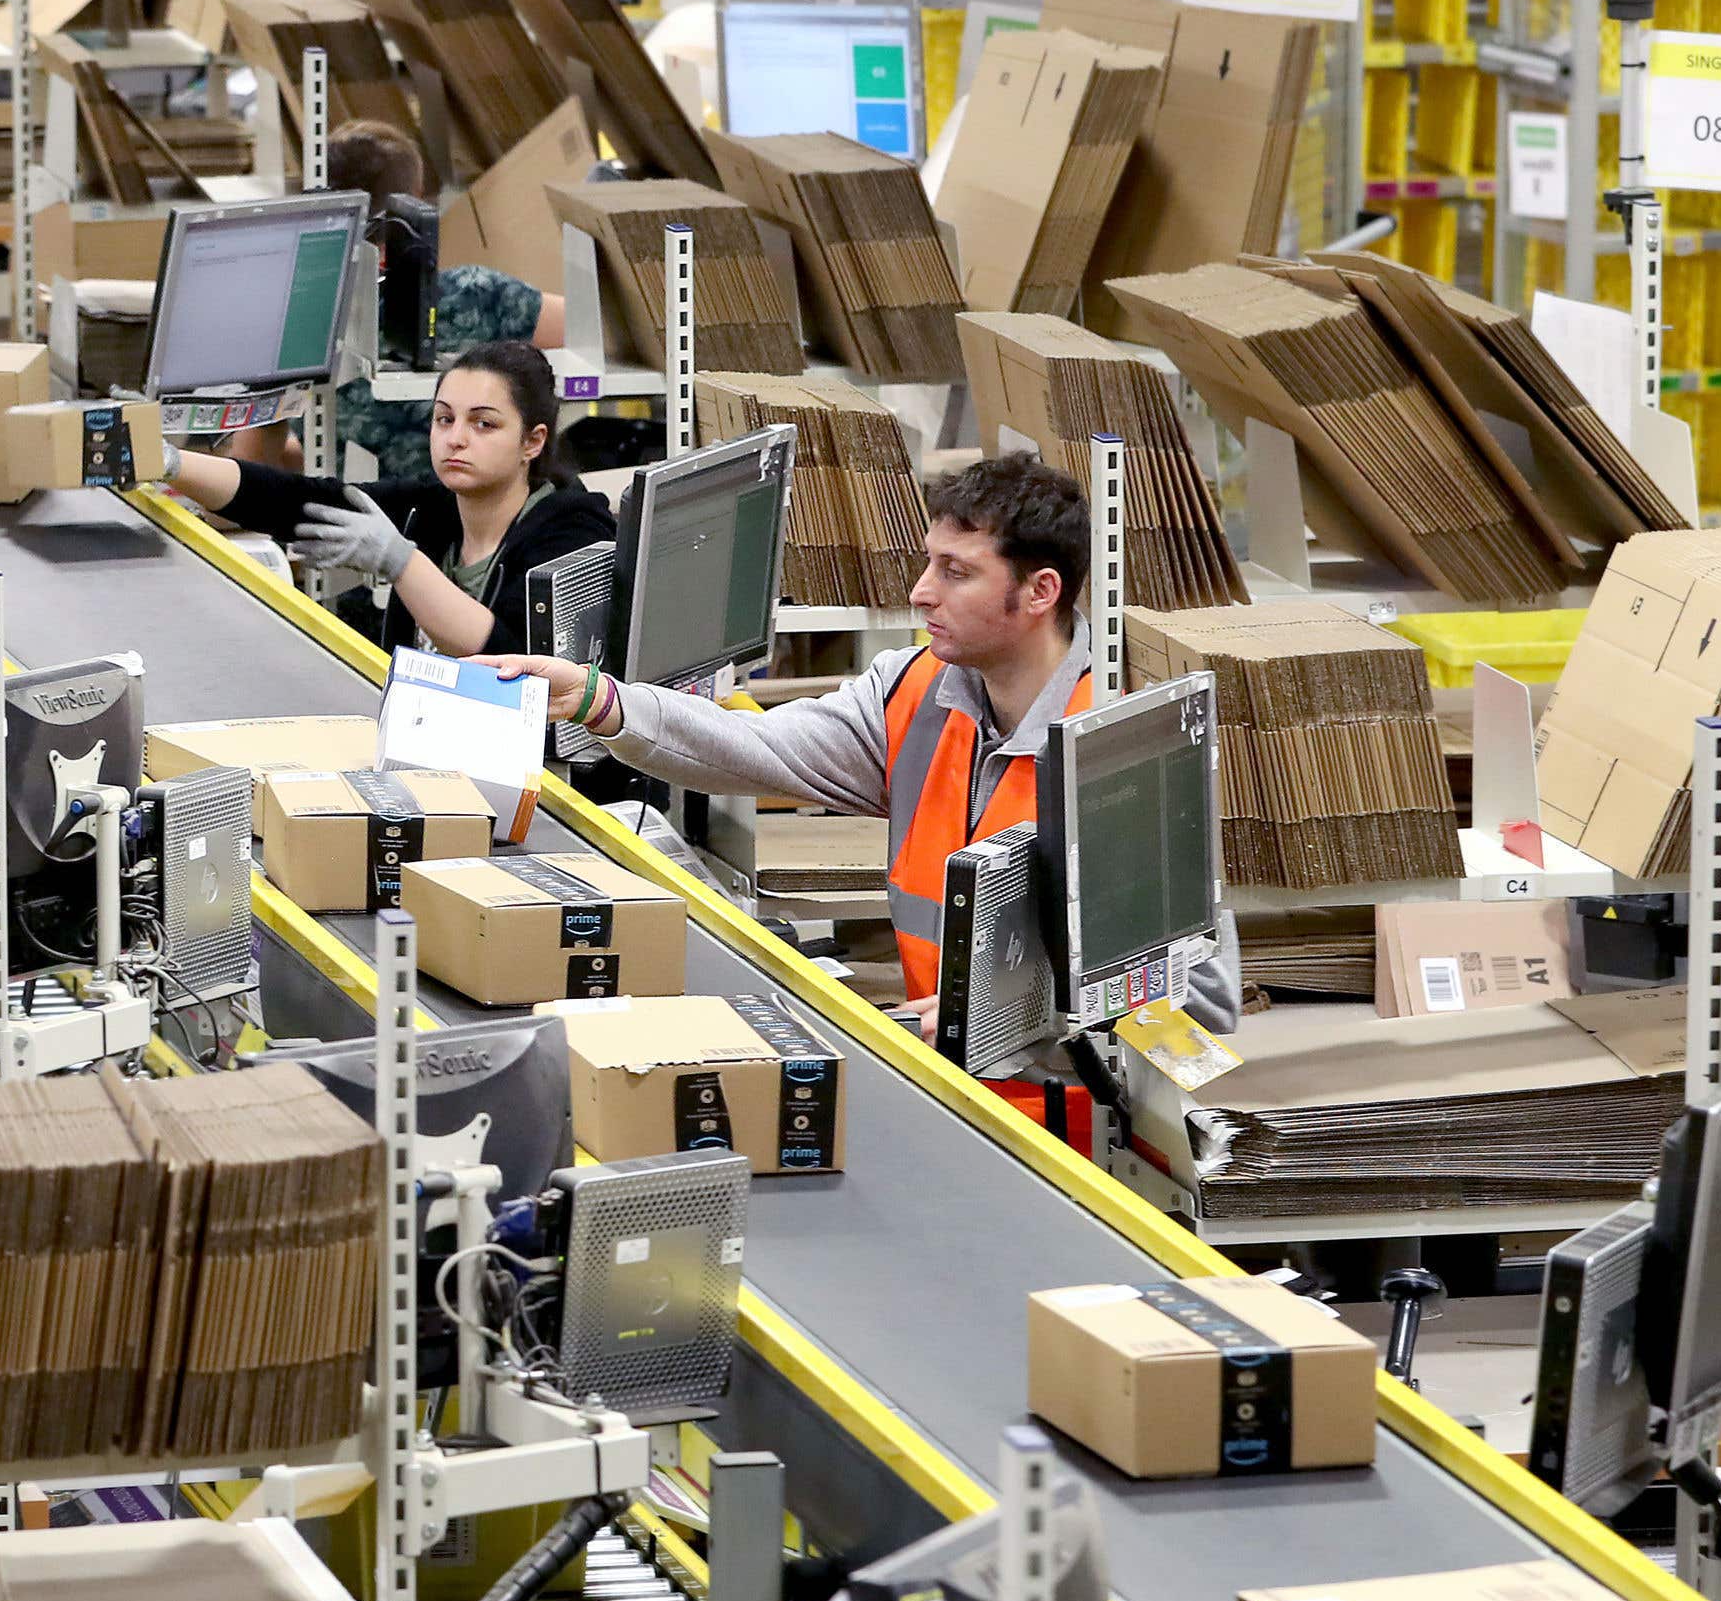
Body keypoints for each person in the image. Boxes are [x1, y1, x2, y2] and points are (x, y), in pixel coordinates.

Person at [483, 452, 1239, 1143]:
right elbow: (760, 747)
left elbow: (1203, 1001)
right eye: (928, 562)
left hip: (1070, 1132)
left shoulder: (1125, 747)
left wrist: (1018, 1011)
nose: (922, 592)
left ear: (1040, 592)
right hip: (938, 1089)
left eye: (956, 571)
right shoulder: (916, 692)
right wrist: (601, 700)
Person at [164, 339, 612, 658]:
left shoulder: (573, 535)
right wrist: (168, 463)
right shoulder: (434, 506)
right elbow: (294, 501)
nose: (455, 439)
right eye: (444, 419)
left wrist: (402, 562)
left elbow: (508, 657)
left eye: (483, 424)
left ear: (532, 442)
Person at [226, 119, 562, 481]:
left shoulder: (302, 319)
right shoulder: (476, 293)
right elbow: (588, 329)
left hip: (359, 515)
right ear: (414, 203)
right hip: (469, 512)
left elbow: (250, 466)